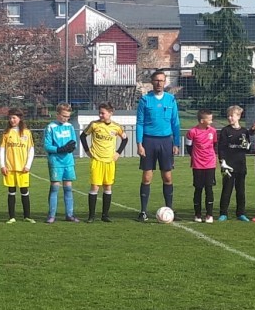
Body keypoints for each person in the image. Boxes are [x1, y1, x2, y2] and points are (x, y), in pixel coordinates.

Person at [135, 70, 181, 222]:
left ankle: (170, 209)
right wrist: (139, 144)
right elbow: (140, 123)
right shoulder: (145, 100)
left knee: (167, 176)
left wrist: (176, 143)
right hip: (149, 141)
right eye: (156, 80)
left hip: (166, 142)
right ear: (152, 82)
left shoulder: (171, 99)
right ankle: (143, 211)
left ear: (165, 82)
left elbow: (175, 122)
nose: (159, 83)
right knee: (147, 177)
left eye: (161, 80)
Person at [80, 103, 127, 222]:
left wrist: (118, 153)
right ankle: (91, 216)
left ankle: (105, 215)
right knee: (95, 187)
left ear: (110, 113)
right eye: (99, 113)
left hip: (110, 161)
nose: (100, 115)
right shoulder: (94, 125)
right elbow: (82, 136)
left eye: (103, 113)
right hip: (97, 160)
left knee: (107, 186)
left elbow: (125, 139)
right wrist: (87, 151)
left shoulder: (116, 127)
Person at [44, 103, 79, 223]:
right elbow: (47, 146)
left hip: (68, 161)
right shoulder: (50, 127)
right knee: (55, 188)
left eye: (68, 116)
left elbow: (74, 142)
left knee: (68, 188)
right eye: (64, 116)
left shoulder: (70, 126)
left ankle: (69, 215)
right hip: (56, 162)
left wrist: (71, 147)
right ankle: (51, 215)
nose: (66, 118)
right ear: (57, 114)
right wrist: (59, 149)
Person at [0, 108, 36, 223]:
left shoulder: (26, 132)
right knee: (11, 192)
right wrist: (2, 165)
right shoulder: (6, 133)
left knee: (24, 191)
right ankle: (11, 217)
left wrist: (28, 165)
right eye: (10, 118)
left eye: (14, 117)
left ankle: (27, 216)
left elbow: (31, 150)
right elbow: (2, 149)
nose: (12, 120)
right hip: (10, 168)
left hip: (23, 169)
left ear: (19, 118)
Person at [217, 105, 251, 222]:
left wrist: (246, 145)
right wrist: (222, 162)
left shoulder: (244, 131)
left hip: (241, 165)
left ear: (238, 116)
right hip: (228, 165)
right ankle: (223, 213)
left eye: (232, 116)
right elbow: (221, 148)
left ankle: (241, 213)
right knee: (227, 190)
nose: (230, 118)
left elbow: (247, 149)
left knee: (241, 191)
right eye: (228, 116)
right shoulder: (225, 131)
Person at [185, 109, 219, 223]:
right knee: (198, 189)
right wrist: (196, 157)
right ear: (202, 121)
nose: (211, 121)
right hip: (197, 165)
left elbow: (214, 145)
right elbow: (189, 147)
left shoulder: (213, 131)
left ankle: (209, 214)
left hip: (210, 164)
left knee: (209, 189)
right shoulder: (192, 132)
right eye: (209, 119)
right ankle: (197, 214)